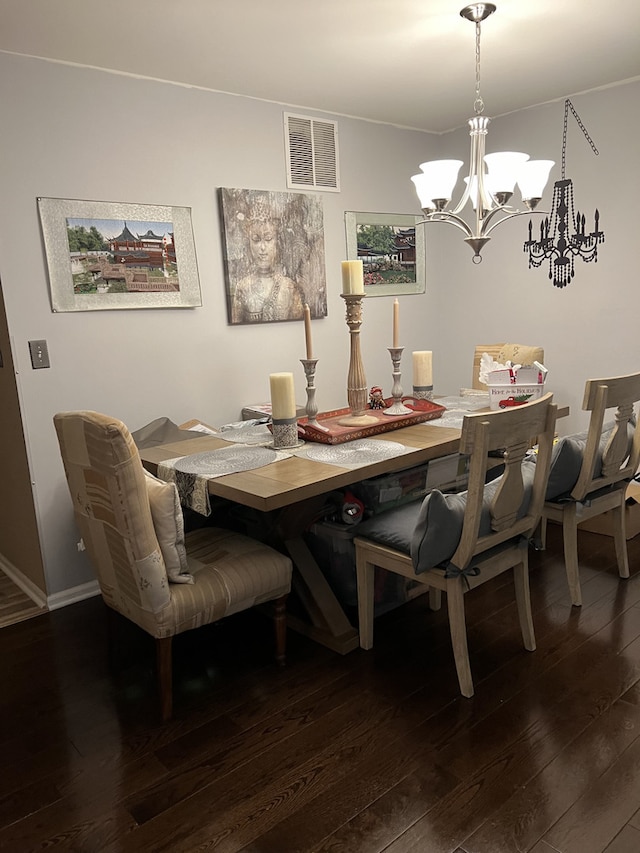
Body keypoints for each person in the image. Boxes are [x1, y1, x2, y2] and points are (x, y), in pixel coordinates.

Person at [231, 212, 305, 323]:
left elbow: (300, 329)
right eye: (256, 240)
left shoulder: (289, 287)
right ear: (249, 243)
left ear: (277, 242)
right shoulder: (243, 287)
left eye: (268, 239)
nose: (262, 247)